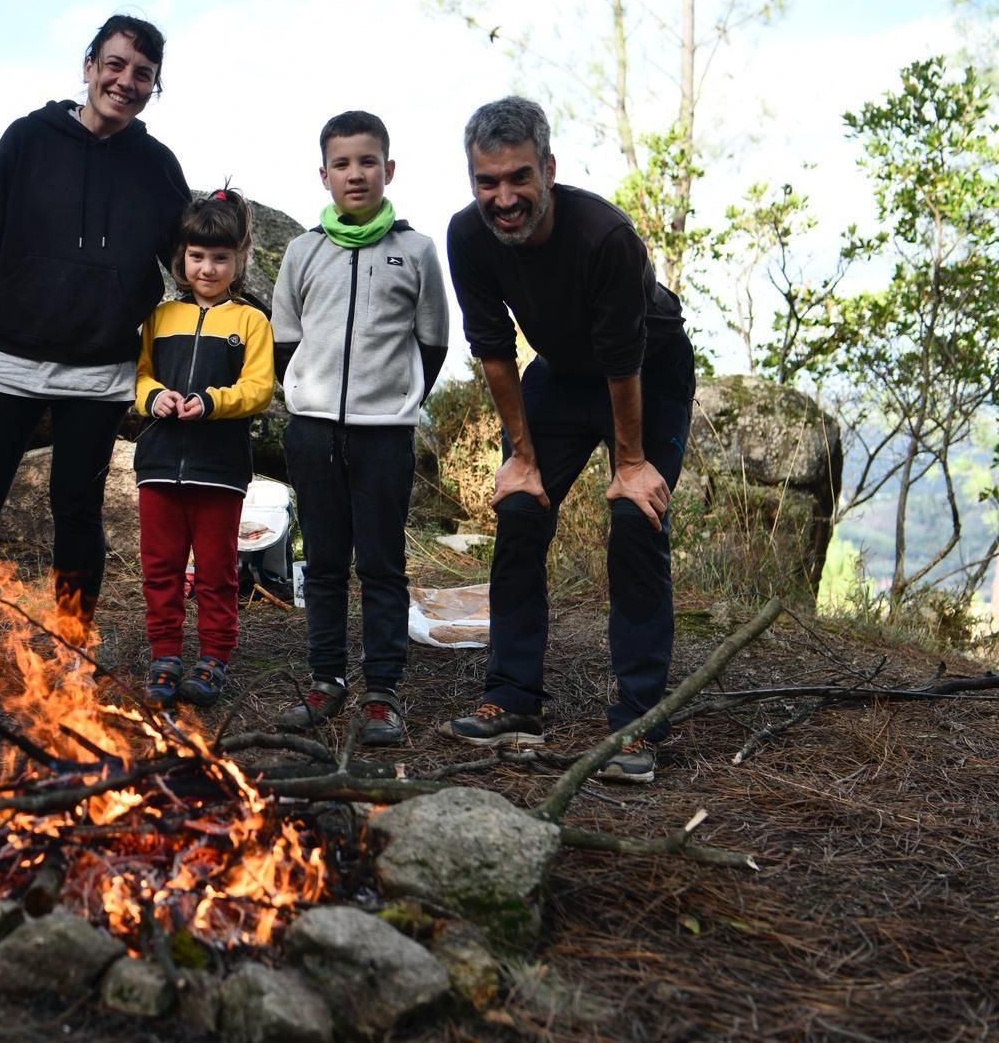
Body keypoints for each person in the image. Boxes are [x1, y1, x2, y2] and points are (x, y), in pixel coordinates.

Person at [0, 15, 190, 707]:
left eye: (142, 74)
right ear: (89, 65)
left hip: (101, 367)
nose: (126, 82)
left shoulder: (158, 166)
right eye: (115, 65)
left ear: (154, 86)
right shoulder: (27, 138)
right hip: (11, 356)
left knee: (77, 512)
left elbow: (187, 257)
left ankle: (71, 656)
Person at [439, 96, 696, 783]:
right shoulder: (467, 237)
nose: (504, 197)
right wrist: (521, 458)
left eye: (518, 177)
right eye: (486, 182)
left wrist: (632, 463)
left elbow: (624, 358)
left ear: (548, 169)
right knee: (520, 510)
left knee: (634, 520)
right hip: (559, 371)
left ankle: (639, 722)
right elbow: (493, 349)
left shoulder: (605, 236)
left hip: (647, 370)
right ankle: (512, 696)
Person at [270, 110, 451, 747]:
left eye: (367, 161)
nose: (356, 174)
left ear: (389, 169)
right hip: (313, 432)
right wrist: (311, 400)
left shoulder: (417, 251)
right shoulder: (301, 252)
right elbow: (285, 340)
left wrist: (392, 402)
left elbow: (432, 344)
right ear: (323, 175)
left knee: (381, 563)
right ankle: (325, 680)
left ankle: (382, 691)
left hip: (384, 436)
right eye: (342, 163)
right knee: (320, 562)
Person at [133, 188, 275, 708]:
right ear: (181, 259)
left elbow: (260, 388)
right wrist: (155, 398)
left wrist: (212, 402)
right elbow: (140, 375)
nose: (208, 268)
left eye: (221, 258)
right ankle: (164, 655)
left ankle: (214, 658)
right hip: (159, 465)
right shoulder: (159, 318)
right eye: (198, 257)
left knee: (216, 572)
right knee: (161, 568)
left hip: (219, 469)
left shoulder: (250, 321)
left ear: (239, 260)